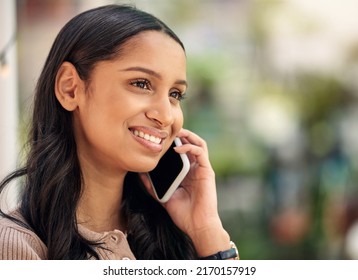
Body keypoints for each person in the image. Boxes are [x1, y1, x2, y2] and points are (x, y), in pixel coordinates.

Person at [0, 4, 238, 260]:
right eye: (141, 84)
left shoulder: (176, 235)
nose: (166, 115)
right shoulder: (16, 248)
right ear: (70, 89)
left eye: (175, 94)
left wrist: (207, 231)